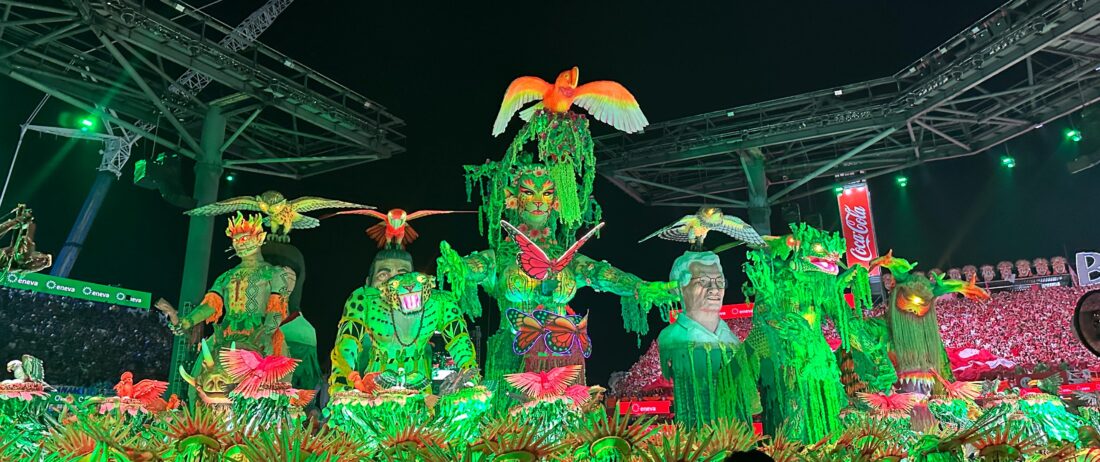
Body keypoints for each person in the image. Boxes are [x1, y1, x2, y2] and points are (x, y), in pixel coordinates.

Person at [657, 251, 756, 429]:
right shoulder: (671, 337)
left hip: (735, 433)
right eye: (703, 282)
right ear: (679, 288)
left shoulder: (732, 339)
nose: (715, 289)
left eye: (720, 282)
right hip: (695, 435)